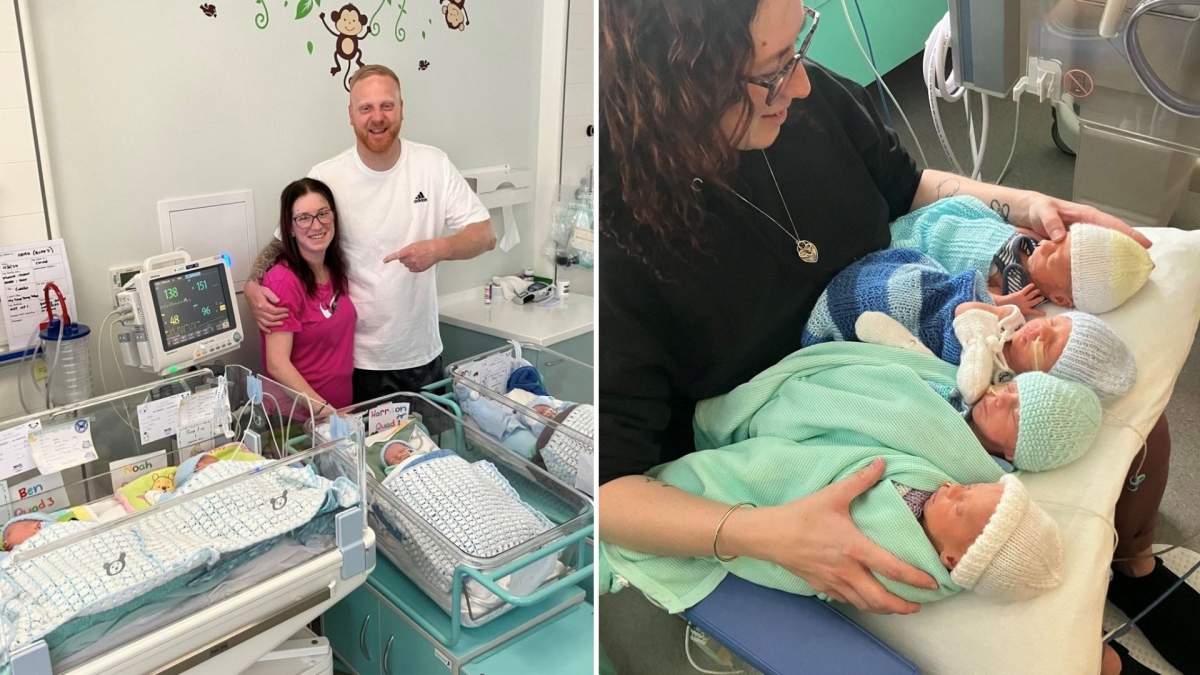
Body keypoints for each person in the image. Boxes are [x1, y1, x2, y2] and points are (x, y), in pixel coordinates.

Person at [599, 0, 1183, 671]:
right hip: (800, 446)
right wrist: (763, 534)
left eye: (799, 48)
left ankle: (1134, 568)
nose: (804, 83)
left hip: (907, 332)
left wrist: (1021, 204)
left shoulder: (802, 102)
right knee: (1033, 632)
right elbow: (610, 489)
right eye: (770, 72)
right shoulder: (628, 253)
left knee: (1143, 425)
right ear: (670, 91)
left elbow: (905, 186)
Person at [244, 64, 496, 402]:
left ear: (402, 109)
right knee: (371, 453)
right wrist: (251, 284)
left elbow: (485, 234)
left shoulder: (432, 165)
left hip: (421, 353)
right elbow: (283, 243)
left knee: (428, 452)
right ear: (351, 115)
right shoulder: (329, 175)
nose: (377, 117)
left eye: (386, 106)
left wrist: (438, 248)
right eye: (366, 108)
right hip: (357, 360)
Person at [801, 246, 1137, 401]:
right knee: (911, 289)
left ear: (1045, 379)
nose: (1039, 330)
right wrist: (1003, 306)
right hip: (930, 307)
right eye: (1052, 325)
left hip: (929, 351)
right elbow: (964, 309)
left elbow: (958, 390)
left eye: (1046, 344)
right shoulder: (1012, 327)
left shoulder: (1004, 387)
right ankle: (847, 304)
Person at [889, 195, 1156, 316]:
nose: (1048, 246)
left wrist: (1006, 302)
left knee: (919, 274)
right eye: (1056, 242)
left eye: (1053, 258)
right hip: (951, 226)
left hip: (934, 250)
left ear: (1061, 298)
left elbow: (973, 290)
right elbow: (1002, 226)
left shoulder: (1020, 287)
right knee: (970, 206)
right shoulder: (1037, 243)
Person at [260, 178, 357, 414]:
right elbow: (277, 363)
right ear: (289, 228)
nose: (316, 225)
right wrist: (325, 412)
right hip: (298, 419)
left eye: (323, 213)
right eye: (304, 218)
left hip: (340, 411)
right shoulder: (283, 280)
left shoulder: (335, 269)